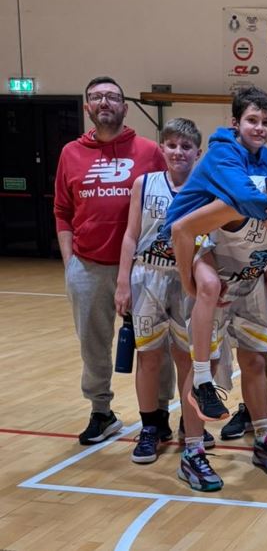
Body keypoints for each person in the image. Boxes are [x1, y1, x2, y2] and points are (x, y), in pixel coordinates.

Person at [171, 134, 267, 490]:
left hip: (249, 282)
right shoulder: (243, 198)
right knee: (202, 372)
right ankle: (192, 452)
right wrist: (189, 281)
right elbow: (182, 229)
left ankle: (265, 437)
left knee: (255, 362)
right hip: (214, 284)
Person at [165, 87, 267, 422]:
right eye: (252, 120)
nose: (259, 128)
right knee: (205, 296)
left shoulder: (263, 157)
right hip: (185, 238)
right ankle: (200, 386)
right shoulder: (224, 154)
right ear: (235, 123)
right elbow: (243, 198)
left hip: (241, 253)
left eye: (266, 122)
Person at [55, 76, 172, 445]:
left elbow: (168, 200)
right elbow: (62, 211)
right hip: (88, 266)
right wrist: (70, 263)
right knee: (93, 345)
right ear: (87, 107)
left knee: (155, 344)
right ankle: (101, 411)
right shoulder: (70, 153)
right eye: (96, 97)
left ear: (124, 106)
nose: (104, 102)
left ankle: (160, 413)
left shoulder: (150, 151)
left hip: (144, 268)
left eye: (111, 97)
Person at [113, 118, 218, 462]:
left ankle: (191, 424)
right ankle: (150, 427)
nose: (178, 152)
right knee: (148, 356)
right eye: (172, 145)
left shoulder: (206, 190)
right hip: (148, 276)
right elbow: (131, 235)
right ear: (162, 148)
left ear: (198, 153)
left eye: (186, 146)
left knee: (187, 357)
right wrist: (123, 281)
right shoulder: (143, 184)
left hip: (187, 278)